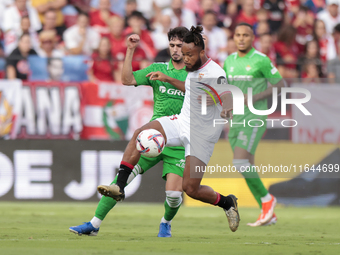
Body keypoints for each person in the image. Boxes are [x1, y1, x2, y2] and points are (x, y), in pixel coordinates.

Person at [97, 26, 240, 233]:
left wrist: (227, 106)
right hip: (181, 122)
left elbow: (226, 94)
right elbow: (188, 88)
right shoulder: (190, 67)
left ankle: (227, 202)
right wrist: (169, 78)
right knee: (140, 133)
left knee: (191, 189)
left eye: (189, 54)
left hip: (201, 137)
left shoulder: (215, 72)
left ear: (201, 52)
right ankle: (119, 187)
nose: (185, 59)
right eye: (183, 53)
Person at [70, 27, 190, 237]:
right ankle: (94, 224)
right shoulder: (158, 68)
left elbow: (197, 92)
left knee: (173, 195)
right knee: (119, 182)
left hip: (179, 140)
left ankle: (165, 222)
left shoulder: (194, 73)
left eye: (180, 45)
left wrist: (168, 79)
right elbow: (127, 80)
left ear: (188, 46)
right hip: (153, 136)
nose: (175, 50)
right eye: (172, 45)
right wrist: (130, 51)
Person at [223, 22, 284, 227]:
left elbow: (280, 85)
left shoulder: (261, 60)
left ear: (252, 38)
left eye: (245, 35)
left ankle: (268, 200)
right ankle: (268, 214)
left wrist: (256, 96)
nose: (241, 38)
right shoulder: (229, 61)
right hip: (236, 120)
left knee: (240, 162)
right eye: (237, 35)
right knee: (245, 166)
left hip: (255, 118)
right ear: (234, 38)